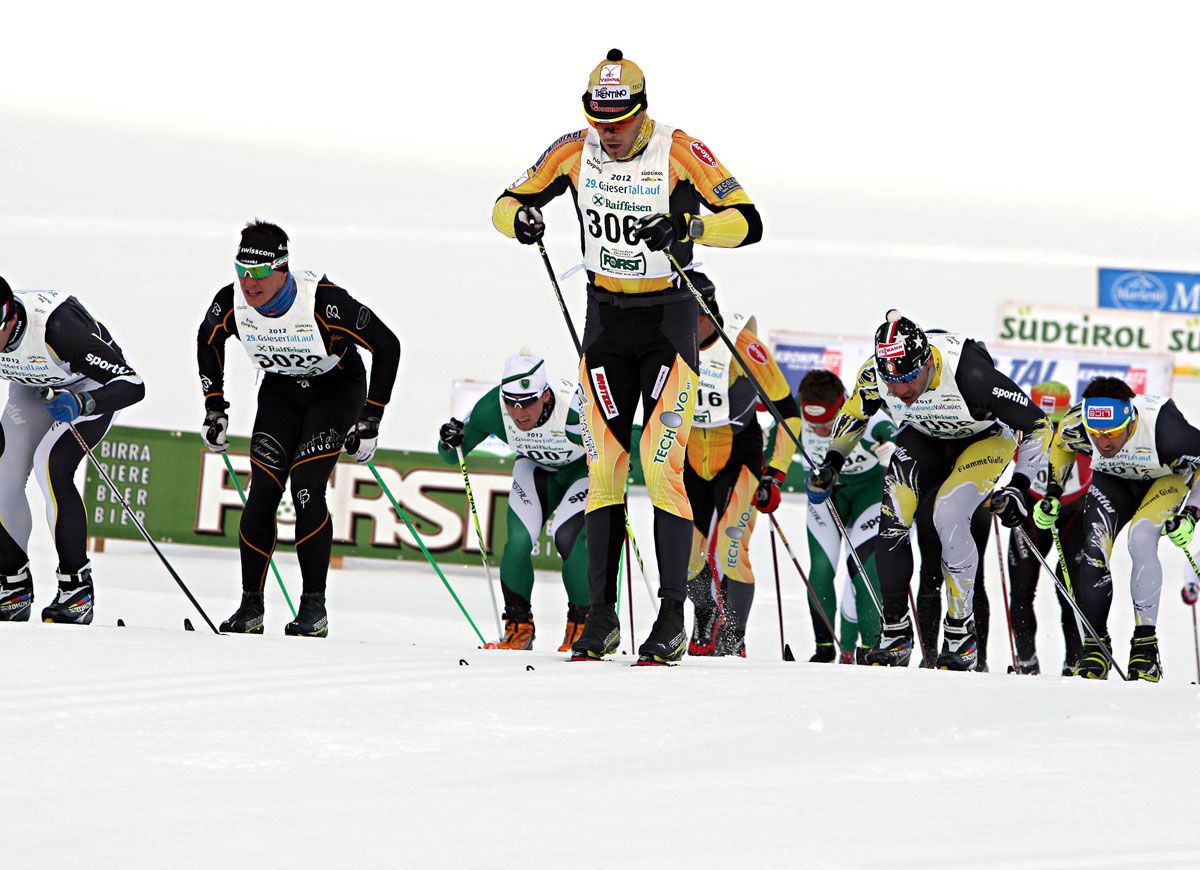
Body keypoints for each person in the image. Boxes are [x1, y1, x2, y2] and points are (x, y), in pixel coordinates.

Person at [491, 49, 762, 664]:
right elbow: (504, 202)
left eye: (619, 120)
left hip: (667, 325)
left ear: (643, 110)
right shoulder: (572, 149)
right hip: (605, 325)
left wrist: (689, 231)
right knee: (605, 466)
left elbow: (748, 221)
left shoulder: (680, 149)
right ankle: (601, 618)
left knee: (657, 461)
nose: (608, 133)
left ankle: (669, 620)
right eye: (598, 119)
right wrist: (523, 220)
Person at [807, 311, 1053, 670]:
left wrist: (1018, 486)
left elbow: (1039, 426)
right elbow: (854, 414)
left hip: (982, 440)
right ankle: (895, 632)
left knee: (948, 512)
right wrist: (833, 461)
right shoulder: (877, 374)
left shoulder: (971, 375)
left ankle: (960, 633)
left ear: (926, 364)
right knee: (892, 519)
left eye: (908, 379)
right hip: (924, 435)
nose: (901, 390)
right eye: (893, 384)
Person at [196, 221, 400, 638]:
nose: (249, 283)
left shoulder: (324, 302)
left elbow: (387, 345)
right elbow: (207, 339)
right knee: (262, 493)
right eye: (242, 271)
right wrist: (214, 407)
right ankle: (250, 606)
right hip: (281, 394)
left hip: (335, 391)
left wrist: (371, 417)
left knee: (307, 487)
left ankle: (314, 608)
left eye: (259, 273)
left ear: (282, 269)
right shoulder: (231, 303)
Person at [0, 276, 145, 624]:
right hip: (33, 386)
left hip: (90, 388)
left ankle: (76, 589)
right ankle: (13, 585)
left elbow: (133, 384)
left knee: (49, 463)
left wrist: (85, 402)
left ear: (11, 320)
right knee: (4, 473)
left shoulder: (58, 328)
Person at [1042, 376, 1200, 681]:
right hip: (1113, 480)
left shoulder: (1168, 432)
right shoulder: (1078, 421)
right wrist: (1052, 492)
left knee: (1140, 538)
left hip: (1164, 480)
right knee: (1094, 546)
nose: (1103, 442)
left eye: (1113, 433)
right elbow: (1062, 445)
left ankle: (1145, 648)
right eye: (1096, 434)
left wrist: (1192, 514)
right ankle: (1095, 646)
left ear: (1130, 420)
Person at [437, 351, 590, 651]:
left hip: (579, 471)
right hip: (534, 469)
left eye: (528, 402)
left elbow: (623, 439)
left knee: (567, 536)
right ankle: (519, 626)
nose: (519, 412)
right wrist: (449, 439)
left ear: (545, 396)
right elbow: (452, 455)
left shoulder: (571, 407)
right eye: (511, 402)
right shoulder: (492, 409)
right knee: (518, 543)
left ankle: (582, 623)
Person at [681, 275, 800, 658]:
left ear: (705, 315)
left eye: (687, 315)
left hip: (739, 458)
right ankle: (705, 613)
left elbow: (789, 414)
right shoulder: (670, 340)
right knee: (687, 556)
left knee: (730, 549)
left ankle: (734, 636)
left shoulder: (744, 347)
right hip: (689, 457)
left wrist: (775, 473)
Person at [796, 368, 893, 664]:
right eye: (813, 425)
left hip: (869, 493)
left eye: (827, 423)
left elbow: (896, 435)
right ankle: (824, 646)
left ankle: (868, 648)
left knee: (863, 569)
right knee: (822, 569)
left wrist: (893, 451)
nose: (821, 431)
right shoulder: (798, 421)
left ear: (840, 405)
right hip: (830, 497)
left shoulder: (867, 416)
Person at [1005, 380, 1089, 675]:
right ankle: (1026, 660)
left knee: (1071, 590)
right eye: (1044, 420)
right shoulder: (1021, 427)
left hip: (1072, 511)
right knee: (1021, 589)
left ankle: (1076, 661)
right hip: (1031, 509)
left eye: (1057, 421)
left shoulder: (1081, 433)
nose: (1052, 430)